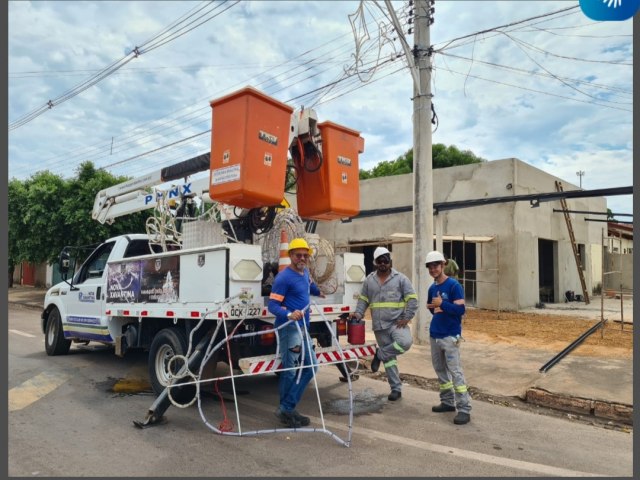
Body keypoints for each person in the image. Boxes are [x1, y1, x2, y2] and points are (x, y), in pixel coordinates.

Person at [268, 237, 324, 428]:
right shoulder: (283, 278)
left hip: (303, 329)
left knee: (310, 367)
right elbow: (272, 305)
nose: (302, 258)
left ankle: (286, 407)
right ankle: (287, 409)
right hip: (289, 329)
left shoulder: (304, 272)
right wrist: (289, 314)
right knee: (291, 371)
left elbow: (309, 285)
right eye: (298, 255)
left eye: (305, 255)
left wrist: (319, 292)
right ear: (290, 255)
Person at [351, 246, 417, 401]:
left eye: (385, 260)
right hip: (379, 326)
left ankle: (379, 354)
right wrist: (359, 314)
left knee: (405, 342)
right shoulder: (369, 280)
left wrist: (408, 317)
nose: (383, 263)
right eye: (379, 261)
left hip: (396, 324)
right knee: (390, 360)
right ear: (375, 262)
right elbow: (364, 300)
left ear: (390, 261)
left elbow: (412, 300)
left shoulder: (401, 279)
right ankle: (396, 389)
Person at [425, 250, 472, 425]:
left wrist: (442, 304)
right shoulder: (433, 288)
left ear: (443, 265)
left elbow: (461, 310)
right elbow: (433, 308)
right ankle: (447, 402)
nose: (433, 269)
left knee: (455, 371)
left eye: (436, 265)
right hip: (435, 334)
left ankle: (464, 409)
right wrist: (433, 307)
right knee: (439, 369)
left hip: (450, 335)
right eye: (430, 267)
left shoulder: (453, 286)